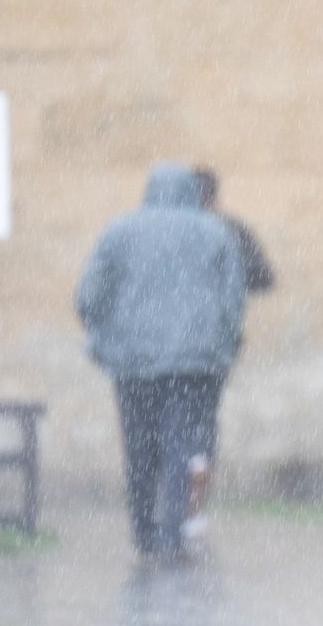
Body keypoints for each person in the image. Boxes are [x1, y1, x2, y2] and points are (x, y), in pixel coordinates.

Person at [76, 162, 248, 562]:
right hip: (195, 362)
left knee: (139, 447)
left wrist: (105, 334)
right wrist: (224, 343)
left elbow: (88, 296)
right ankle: (173, 533)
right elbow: (233, 300)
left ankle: (142, 532)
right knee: (182, 446)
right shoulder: (214, 233)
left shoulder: (120, 231)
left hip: (133, 362)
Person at [182, 167, 275, 537]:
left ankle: (176, 498)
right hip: (213, 346)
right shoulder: (230, 231)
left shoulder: (171, 234)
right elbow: (263, 277)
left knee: (170, 423)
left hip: (167, 348)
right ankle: (194, 501)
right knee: (201, 419)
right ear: (213, 196)